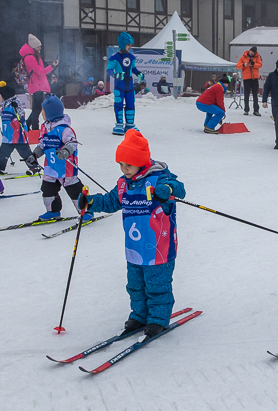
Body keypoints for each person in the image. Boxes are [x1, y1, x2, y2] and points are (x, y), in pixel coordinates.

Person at [80, 129, 186, 337]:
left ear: (141, 161)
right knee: (135, 285)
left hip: (159, 248)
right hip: (134, 248)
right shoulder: (123, 185)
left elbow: (179, 188)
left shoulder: (158, 178)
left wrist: (167, 190)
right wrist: (91, 202)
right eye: (121, 164)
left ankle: (157, 319)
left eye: (128, 164)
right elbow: (110, 202)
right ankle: (139, 315)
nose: (124, 169)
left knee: (157, 285)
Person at [25, 95, 87, 221]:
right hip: (51, 166)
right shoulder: (46, 128)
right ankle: (53, 211)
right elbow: (42, 144)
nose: (42, 113)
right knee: (47, 189)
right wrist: (34, 154)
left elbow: (72, 143)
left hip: (66, 167)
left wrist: (65, 151)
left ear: (50, 112)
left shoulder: (64, 129)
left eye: (43, 111)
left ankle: (85, 211)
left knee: (74, 189)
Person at [0, 83, 36, 175]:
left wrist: (16, 107)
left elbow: (21, 113)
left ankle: (34, 167)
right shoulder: (5, 106)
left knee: (25, 152)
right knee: (3, 153)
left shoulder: (14, 104)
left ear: (5, 96)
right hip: (8, 135)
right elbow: (3, 113)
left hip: (18, 134)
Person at [107, 32, 143, 135]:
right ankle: (119, 124)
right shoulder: (114, 57)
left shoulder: (131, 57)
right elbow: (109, 70)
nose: (130, 47)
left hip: (130, 86)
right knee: (118, 104)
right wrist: (115, 75)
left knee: (131, 104)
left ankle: (130, 125)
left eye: (130, 45)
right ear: (123, 44)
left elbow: (134, 69)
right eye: (128, 45)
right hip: (119, 86)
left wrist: (139, 73)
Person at [20, 34, 58, 130]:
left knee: (36, 109)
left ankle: (26, 126)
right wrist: (52, 66)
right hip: (37, 86)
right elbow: (40, 72)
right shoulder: (30, 57)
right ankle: (34, 129)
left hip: (37, 85)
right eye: (38, 46)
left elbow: (39, 72)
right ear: (33, 47)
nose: (40, 47)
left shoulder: (31, 56)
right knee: (36, 110)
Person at [236, 46, 262, 116]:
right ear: (249, 51)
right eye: (251, 51)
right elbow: (238, 66)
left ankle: (256, 110)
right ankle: (246, 109)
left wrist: (253, 65)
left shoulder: (257, 57)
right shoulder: (243, 57)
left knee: (255, 95)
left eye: (254, 52)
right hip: (246, 78)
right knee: (246, 94)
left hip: (255, 78)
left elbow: (260, 65)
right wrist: (243, 65)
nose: (252, 53)